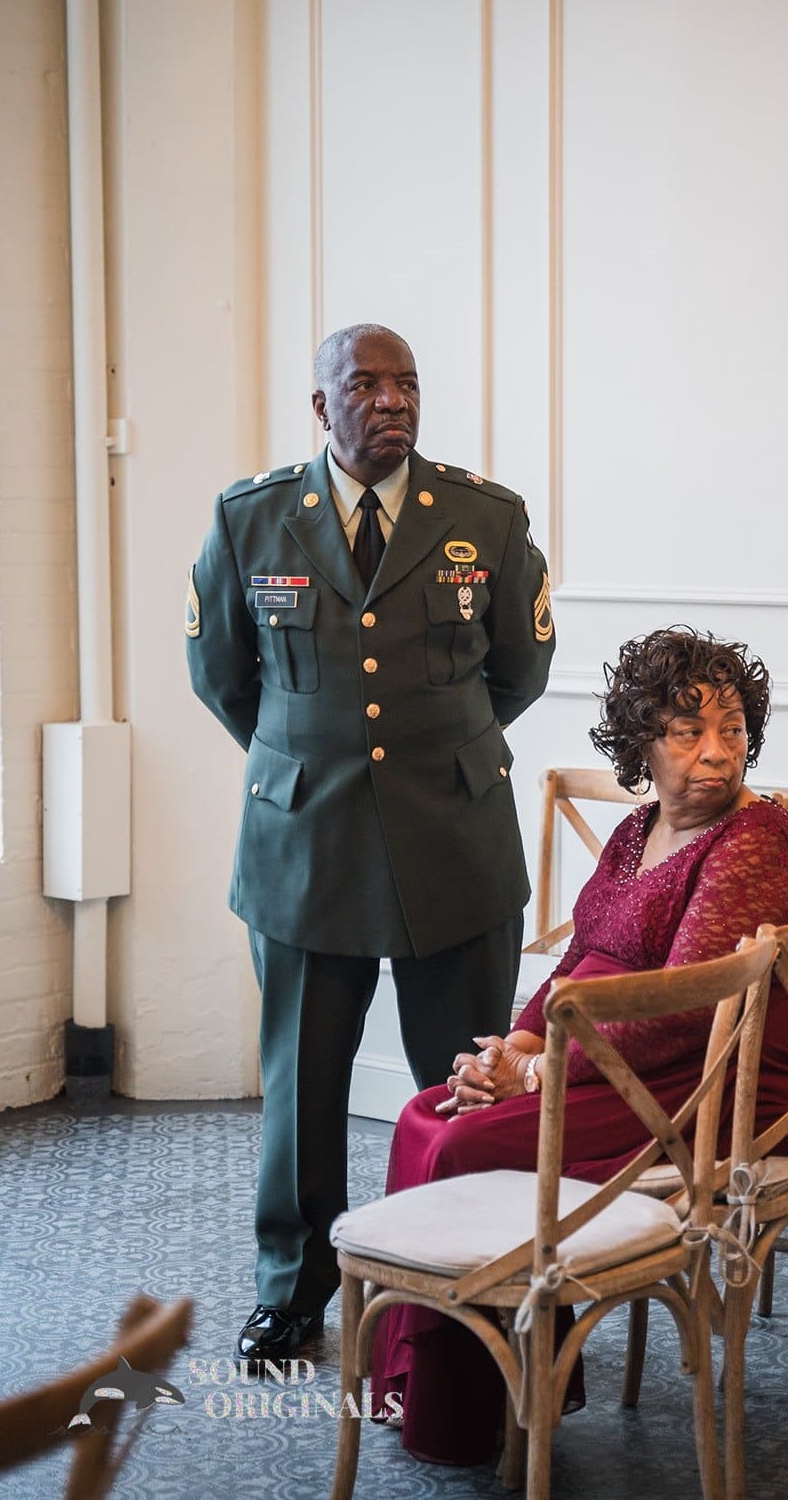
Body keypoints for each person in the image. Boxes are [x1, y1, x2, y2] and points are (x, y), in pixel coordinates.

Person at [365, 627, 788, 1466]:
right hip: (611, 1054)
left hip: (716, 1079)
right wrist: (516, 1043)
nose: (717, 752)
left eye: (732, 728)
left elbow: (682, 1009)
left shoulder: (755, 838)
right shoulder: (638, 829)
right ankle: (420, 1385)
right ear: (642, 742)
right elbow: (582, 955)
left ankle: (474, 1411)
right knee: (424, 1114)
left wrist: (538, 1073)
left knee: (468, 1143)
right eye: (688, 732)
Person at [186, 323, 555, 1363]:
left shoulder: (484, 517)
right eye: (364, 386)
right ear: (321, 405)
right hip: (304, 843)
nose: (391, 402)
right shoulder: (252, 519)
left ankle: (475, 1284)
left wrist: (430, 752)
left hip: (454, 837)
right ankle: (292, 1289)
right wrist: (316, 753)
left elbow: (519, 669)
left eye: (406, 385)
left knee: (467, 1080)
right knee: (303, 1087)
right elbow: (223, 676)